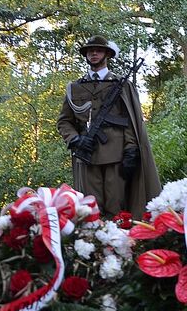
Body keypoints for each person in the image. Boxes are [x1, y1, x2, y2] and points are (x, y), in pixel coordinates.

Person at [58, 35, 161, 218]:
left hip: (117, 156)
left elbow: (130, 121)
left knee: (117, 209)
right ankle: (92, 246)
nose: (94, 53)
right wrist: (75, 139)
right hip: (86, 156)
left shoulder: (122, 85)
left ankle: (118, 243)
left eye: (98, 50)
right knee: (90, 210)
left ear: (107, 54)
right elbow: (64, 121)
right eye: (90, 51)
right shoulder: (74, 87)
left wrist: (131, 149)